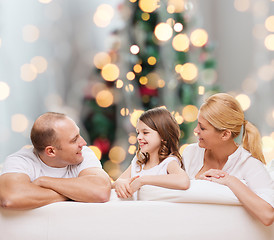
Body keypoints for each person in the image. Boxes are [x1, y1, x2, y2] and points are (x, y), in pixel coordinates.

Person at [182, 93, 274, 226]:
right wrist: (199, 183)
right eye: (198, 124)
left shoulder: (250, 165)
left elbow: (268, 216)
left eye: (202, 128)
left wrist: (230, 180)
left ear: (225, 134)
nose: (196, 130)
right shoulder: (191, 153)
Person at [0, 112, 111, 210]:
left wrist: (44, 181)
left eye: (79, 134)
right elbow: (10, 198)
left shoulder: (82, 153)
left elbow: (100, 191)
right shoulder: (20, 160)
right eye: (74, 140)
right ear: (51, 151)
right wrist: (76, 194)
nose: (83, 143)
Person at [113, 107, 190, 199]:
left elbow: (184, 181)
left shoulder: (168, 162)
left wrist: (143, 180)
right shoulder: (138, 162)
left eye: (145, 133)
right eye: (138, 132)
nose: (139, 137)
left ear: (163, 135)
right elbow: (117, 183)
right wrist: (118, 183)